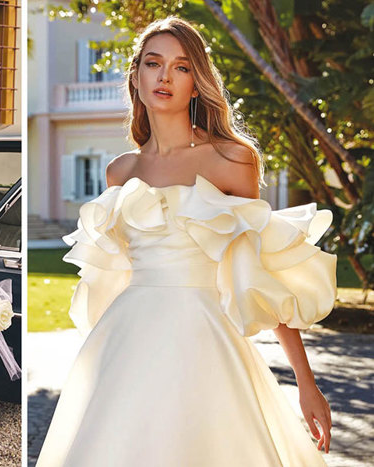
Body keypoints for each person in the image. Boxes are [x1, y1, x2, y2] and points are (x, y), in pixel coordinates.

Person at [35, 16, 336, 467]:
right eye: (154, 64)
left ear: (196, 84)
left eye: (181, 67)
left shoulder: (231, 160)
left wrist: (306, 383)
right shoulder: (121, 172)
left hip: (204, 340)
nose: (165, 77)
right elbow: (114, 272)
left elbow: (258, 272)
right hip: (128, 340)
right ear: (135, 78)